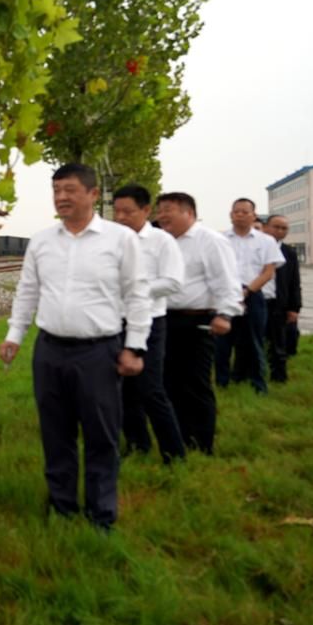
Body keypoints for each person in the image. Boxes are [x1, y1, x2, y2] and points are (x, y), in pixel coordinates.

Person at [0, 164, 150, 530]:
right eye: (56, 190)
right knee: (55, 432)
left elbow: (137, 294)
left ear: (93, 194)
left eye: (69, 190)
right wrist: (14, 335)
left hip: (98, 352)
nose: (61, 197)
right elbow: (28, 291)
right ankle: (62, 506)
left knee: (101, 434)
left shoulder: (119, 239)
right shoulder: (42, 241)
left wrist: (135, 347)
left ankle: (101, 514)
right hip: (50, 350)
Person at [155, 193, 240, 454]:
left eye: (168, 210)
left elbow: (227, 280)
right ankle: (178, 438)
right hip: (164, 319)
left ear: (189, 213)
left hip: (197, 320)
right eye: (159, 210)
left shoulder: (210, 241)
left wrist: (225, 314)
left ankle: (202, 444)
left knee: (195, 383)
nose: (162, 216)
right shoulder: (161, 241)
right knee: (168, 383)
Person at [111, 184, 187, 464]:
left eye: (128, 212)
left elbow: (173, 282)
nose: (121, 217)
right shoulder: (111, 239)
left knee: (150, 389)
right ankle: (137, 444)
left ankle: (174, 453)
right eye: (117, 211)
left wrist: (135, 290)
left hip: (150, 322)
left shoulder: (161, 241)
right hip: (115, 321)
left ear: (146, 210)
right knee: (123, 389)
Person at [216, 198, 285, 394]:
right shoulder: (220, 239)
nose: (240, 215)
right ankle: (222, 383)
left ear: (254, 215)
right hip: (225, 294)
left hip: (253, 294)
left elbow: (268, 272)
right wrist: (231, 293)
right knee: (222, 342)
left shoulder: (266, 241)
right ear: (230, 214)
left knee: (255, 341)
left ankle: (258, 385)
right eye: (236, 211)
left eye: (245, 212)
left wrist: (246, 292)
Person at [261, 215, 301, 382]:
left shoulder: (289, 252)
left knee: (278, 342)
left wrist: (294, 308)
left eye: (284, 228)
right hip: (257, 300)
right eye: (276, 227)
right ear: (266, 227)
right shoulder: (257, 247)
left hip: (279, 304)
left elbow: (294, 282)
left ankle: (279, 377)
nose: (280, 231)